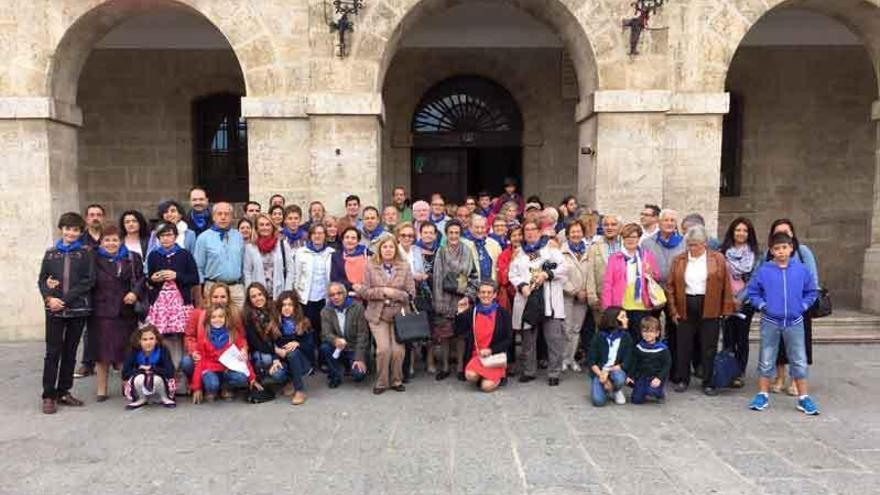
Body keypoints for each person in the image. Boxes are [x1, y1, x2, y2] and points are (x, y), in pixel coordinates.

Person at [747, 232, 820, 415]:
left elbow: (811, 291)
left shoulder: (801, 270)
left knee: (799, 359)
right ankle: (762, 394)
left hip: (794, 321)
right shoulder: (765, 271)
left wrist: (802, 305)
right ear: (771, 251)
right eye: (777, 249)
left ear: (791, 248)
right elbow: (753, 292)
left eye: (784, 248)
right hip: (771, 321)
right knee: (766, 357)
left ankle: (803, 397)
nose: (781, 252)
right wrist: (763, 305)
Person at [666, 225, 735, 395]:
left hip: (710, 304)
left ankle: (708, 381)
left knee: (709, 346)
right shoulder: (679, 260)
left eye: (696, 244)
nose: (692, 248)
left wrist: (726, 308)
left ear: (705, 244)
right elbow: (670, 287)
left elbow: (726, 285)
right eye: (690, 244)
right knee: (683, 345)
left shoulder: (717, 258)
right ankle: (682, 379)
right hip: (686, 304)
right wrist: (673, 311)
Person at [38, 212, 96, 414]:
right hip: (54, 310)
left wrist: (66, 299)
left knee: (70, 352)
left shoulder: (86, 253)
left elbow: (88, 280)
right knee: (52, 352)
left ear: (81, 232)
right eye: (67, 228)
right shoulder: (51, 253)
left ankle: (64, 390)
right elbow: (42, 279)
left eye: (75, 230)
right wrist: (49, 298)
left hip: (77, 308)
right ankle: (48, 394)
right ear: (61, 229)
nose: (71, 232)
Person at [89, 225, 144, 401]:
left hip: (126, 311)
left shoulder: (132, 258)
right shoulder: (93, 258)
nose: (111, 243)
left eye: (114, 239)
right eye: (107, 240)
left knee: (125, 351)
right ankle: (101, 389)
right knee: (102, 352)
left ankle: (126, 385)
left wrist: (134, 293)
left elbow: (141, 278)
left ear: (120, 241)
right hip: (102, 311)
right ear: (101, 241)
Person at [509, 220, 568, 386]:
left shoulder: (550, 250)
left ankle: (554, 372)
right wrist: (522, 286)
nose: (529, 233)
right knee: (528, 339)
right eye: (526, 230)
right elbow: (513, 274)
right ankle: (529, 371)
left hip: (549, 300)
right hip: (528, 299)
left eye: (533, 229)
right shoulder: (519, 253)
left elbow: (564, 268)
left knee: (554, 338)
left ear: (539, 232)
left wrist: (547, 274)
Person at [765, 219, 820, 396]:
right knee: (778, 344)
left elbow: (813, 279)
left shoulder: (802, 252)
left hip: (798, 308)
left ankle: (797, 380)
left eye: (787, 231)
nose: (783, 235)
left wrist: (805, 303)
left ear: (792, 234)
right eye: (778, 232)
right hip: (776, 308)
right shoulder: (768, 253)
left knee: (798, 346)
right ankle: (779, 378)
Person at [357, 237, 415, 394]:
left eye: (391, 247)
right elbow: (365, 292)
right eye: (385, 247)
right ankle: (382, 382)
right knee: (383, 349)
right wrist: (383, 291)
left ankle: (396, 380)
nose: (388, 249)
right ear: (380, 250)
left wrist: (394, 293)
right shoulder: (370, 266)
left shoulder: (404, 266)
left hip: (399, 315)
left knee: (398, 350)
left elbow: (410, 294)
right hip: (378, 314)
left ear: (395, 250)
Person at [146, 222, 200, 374]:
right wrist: (154, 279)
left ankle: (184, 371)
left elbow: (194, 278)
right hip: (161, 303)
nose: (166, 239)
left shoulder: (184, 254)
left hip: (181, 302)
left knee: (183, 336)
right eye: (162, 236)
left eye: (169, 235)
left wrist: (177, 276)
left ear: (175, 236)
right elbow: (149, 279)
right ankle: (168, 370)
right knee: (164, 337)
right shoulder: (154, 255)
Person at [432, 220, 479, 381]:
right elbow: (437, 278)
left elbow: (473, 275)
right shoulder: (441, 251)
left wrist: (468, 296)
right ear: (446, 233)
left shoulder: (467, 251)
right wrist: (438, 302)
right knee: (445, 334)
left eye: (456, 233)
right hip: (444, 298)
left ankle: (460, 366)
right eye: (450, 232)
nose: (453, 236)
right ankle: (444, 367)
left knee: (460, 335)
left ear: (460, 234)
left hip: (462, 298)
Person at [601, 223, 660, 341]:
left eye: (633, 237)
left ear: (639, 238)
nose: (630, 240)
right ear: (622, 239)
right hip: (620, 305)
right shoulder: (615, 257)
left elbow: (656, 277)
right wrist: (607, 306)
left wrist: (650, 273)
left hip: (641, 305)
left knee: (639, 338)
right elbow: (608, 283)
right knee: (622, 339)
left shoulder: (647, 256)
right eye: (627, 237)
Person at [720, 217, 760, 388]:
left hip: (746, 301)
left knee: (741, 337)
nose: (741, 233)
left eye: (745, 230)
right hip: (726, 300)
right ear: (732, 232)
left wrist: (739, 299)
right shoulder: (722, 252)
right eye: (738, 230)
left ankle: (739, 372)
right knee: (728, 337)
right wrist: (729, 299)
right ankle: (727, 370)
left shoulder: (755, 255)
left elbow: (754, 280)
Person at [190, 304, 256, 404]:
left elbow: (243, 358)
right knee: (212, 384)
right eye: (213, 317)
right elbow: (200, 362)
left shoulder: (233, 334)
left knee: (241, 378)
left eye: (221, 316)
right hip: (210, 369)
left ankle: (226, 386)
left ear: (226, 318)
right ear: (208, 319)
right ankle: (212, 390)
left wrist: (252, 378)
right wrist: (197, 387)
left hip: (227, 369)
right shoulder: (204, 337)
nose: (217, 319)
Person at [180, 282, 240, 391]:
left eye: (223, 297)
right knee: (186, 362)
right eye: (215, 297)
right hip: (205, 358)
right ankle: (197, 383)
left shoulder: (234, 314)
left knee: (240, 378)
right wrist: (193, 351)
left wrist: (243, 350)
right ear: (210, 298)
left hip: (226, 358)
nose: (219, 300)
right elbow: (189, 336)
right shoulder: (198, 313)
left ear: (228, 298)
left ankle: (225, 385)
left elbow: (241, 338)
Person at [455, 280, 512, 392]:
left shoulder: (503, 313)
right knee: (470, 376)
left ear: (495, 294)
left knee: (486, 387)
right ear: (478, 294)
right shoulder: (473, 312)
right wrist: (460, 314)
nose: (486, 295)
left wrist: (491, 350)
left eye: (489, 292)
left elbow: (509, 339)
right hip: (477, 356)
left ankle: (496, 377)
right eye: (483, 292)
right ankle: (483, 375)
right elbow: (459, 332)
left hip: (494, 357)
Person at [291, 223, 334, 362]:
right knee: (307, 331)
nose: (318, 235)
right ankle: (308, 361)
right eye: (315, 233)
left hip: (324, 298)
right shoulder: (301, 252)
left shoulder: (331, 252)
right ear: (310, 236)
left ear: (325, 236)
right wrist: (296, 294)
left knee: (324, 331)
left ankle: (323, 360)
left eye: (321, 233)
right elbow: (296, 275)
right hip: (306, 299)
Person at [193, 202, 246, 307]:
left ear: (231, 217)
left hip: (236, 289)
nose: (223, 217)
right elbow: (198, 267)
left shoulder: (239, 236)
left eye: (227, 214)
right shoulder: (203, 238)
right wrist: (199, 296)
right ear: (213, 217)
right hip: (213, 288)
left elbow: (243, 263)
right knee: (215, 321)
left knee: (239, 321)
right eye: (219, 214)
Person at [320, 282, 370, 388]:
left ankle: (352, 363)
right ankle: (335, 376)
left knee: (358, 375)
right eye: (332, 295)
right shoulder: (325, 311)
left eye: (339, 293)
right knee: (325, 347)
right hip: (338, 347)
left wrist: (359, 357)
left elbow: (363, 334)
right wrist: (335, 340)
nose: (336, 297)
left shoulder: (358, 308)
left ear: (345, 293)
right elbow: (326, 333)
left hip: (354, 347)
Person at [270, 290, 315, 405]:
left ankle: (299, 390)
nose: (287, 308)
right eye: (284, 305)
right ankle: (289, 381)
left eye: (290, 305)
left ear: (295, 307)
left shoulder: (304, 322)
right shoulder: (275, 324)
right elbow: (270, 343)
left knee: (292, 353)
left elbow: (311, 346)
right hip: (283, 360)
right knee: (276, 373)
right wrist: (276, 352)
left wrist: (298, 343)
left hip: (303, 362)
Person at [397, 222, 427, 379]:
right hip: (398, 296)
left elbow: (421, 271)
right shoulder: (393, 250)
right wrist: (411, 276)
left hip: (415, 295)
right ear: (398, 236)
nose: (407, 238)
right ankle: (399, 368)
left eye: (410, 235)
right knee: (400, 332)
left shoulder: (417, 250)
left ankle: (409, 367)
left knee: (410, 332)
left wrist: (419, 276)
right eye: (403, 235)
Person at [587, 306, 634, 406]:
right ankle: (605, 388)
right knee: (598, 401)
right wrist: (602, 376)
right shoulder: (599, 337)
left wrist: (609, 371)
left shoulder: (626, 337)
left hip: (615, 371)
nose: (627, 319)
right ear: (613, 320)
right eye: (623, 317)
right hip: (600, 371)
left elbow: (627, 361)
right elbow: (591, 360)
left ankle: (615, 390)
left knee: (619, 378)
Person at [121, 325, 177, 409]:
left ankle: (164, 397)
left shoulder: (163, 350)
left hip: (160, 383)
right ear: (139, 341)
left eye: (151, 338)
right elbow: (125, 373)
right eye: (144, 339)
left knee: (156, 379)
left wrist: (152, 369)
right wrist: (140, 370)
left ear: (157, 340)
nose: (148, 342)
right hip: (139, 384)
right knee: (139, 378)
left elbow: (170, 372)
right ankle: (141, 398)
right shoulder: (133, 351)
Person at [561, 220, 591, 373]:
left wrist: (586, 291)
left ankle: (571, 359)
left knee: (576, 329)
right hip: (567, 295)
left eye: (578, 231)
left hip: (583, 297)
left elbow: (591, 273)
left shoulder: (589, 251)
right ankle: (563, 359)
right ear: (567, 234)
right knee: (565, 328)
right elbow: (559, 276)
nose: (576, 234)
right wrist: (574, 291)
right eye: (573, 231)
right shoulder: (561, 251)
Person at [244, 213, 292, 300]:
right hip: (258, 295)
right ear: (257, 228)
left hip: (279, 293)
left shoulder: (282, 244)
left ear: (272, 227)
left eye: (267, 224)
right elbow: (247, 272)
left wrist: (287, 292)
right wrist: (250, 292)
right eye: (261, 225)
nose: (265, 227)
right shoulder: (250, 247)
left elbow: (290, 270)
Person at [415, 222, 440, 373]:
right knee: (414, 326)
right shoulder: (414, 250)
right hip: (417, 293)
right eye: (425, 232)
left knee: (431, 328)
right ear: (420, 234)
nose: (428, 235)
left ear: (436, 235)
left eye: (431, 232)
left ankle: (430, 361)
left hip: (434, 293)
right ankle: (412, 362)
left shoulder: (440, 251)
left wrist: (429, 277)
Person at [586, 214, 621, 318]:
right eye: (606, 225)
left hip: (623, 297)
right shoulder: (594, 247)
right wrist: (592, 297)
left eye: (613, 224)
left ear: (619, 227)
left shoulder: (625, 245)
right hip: (602, 297)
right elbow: (590, 273)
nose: (609, 227)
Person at [629, 316, 670, 404]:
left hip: (655, 377)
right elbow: (634, 363)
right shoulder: (639, 347)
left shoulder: (662, 349)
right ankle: (641, 389)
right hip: (642, 376)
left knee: (652, 391)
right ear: (641, 332)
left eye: (651, 331)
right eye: (645, 331)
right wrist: (630, 376)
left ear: (657, 333)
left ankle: (659, 393)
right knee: (636, 400)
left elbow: (667, 365)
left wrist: (659, 378)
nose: (648, 334)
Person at [330, 226, 370, 294]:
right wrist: (352, 286)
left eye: (353, 238)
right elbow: (335, 278)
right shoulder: (336, 256)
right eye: (347, 237)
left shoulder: (367, 254)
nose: (350, 240)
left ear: (358, 241)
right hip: (345, 294)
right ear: (342, 240)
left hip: (365, 293)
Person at [463, 215, 502, 282]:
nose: (479, 230)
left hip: (491, 287)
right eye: (476, 227)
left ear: (486, 228)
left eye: (482, 227)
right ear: (470, 228)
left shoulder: (494, 244)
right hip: (471, 287)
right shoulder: (464, 245)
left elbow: (499, 267)